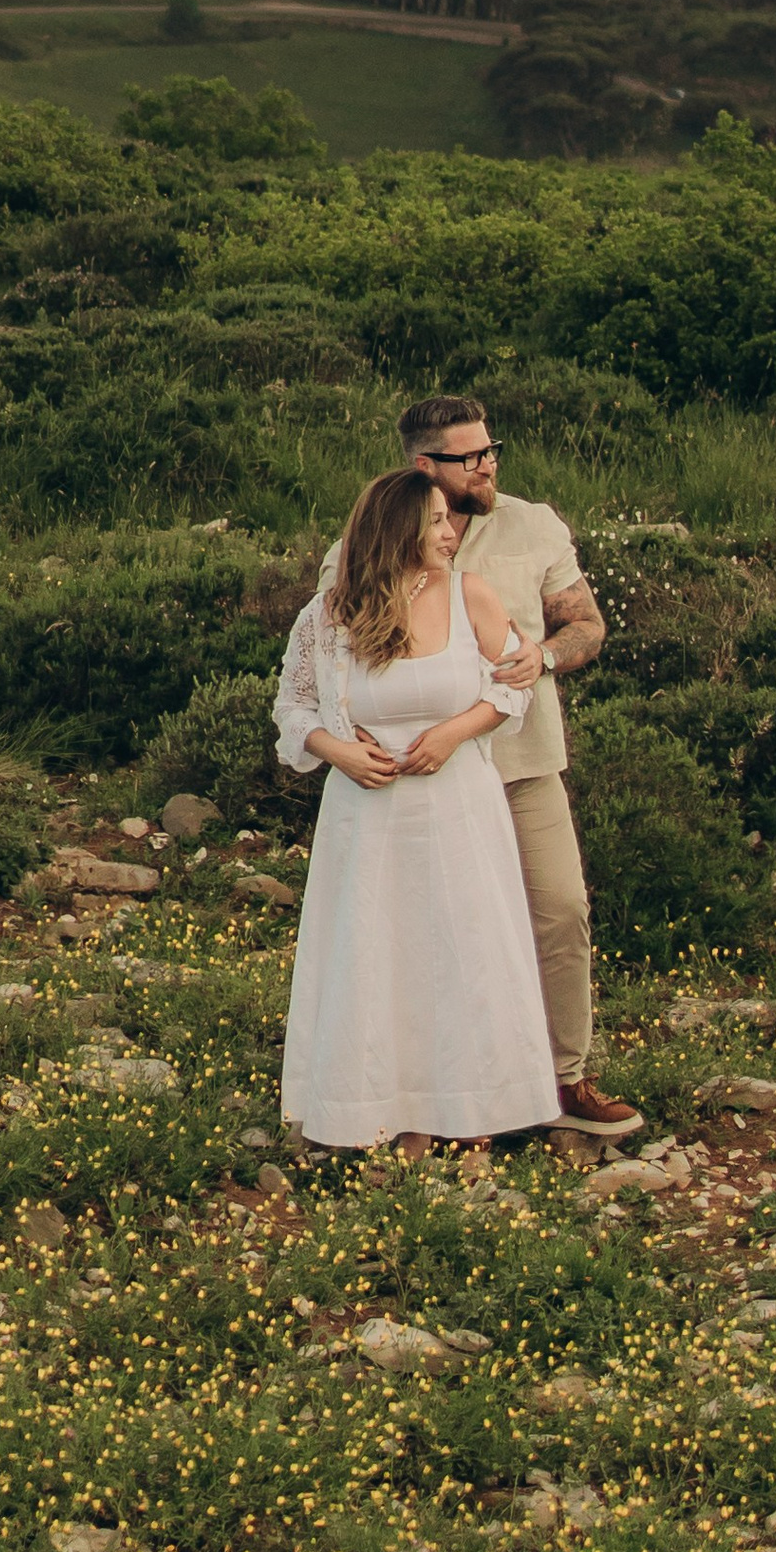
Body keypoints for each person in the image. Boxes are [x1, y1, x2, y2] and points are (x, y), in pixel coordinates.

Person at [279, 394, 644, 1143]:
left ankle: (565, 1078)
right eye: (470, 456)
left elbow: (587, 624)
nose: (488, 465)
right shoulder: (361, 549)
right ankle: (425, 1095)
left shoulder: (532, 524)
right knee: (430, 934)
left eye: (490, 450)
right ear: (426, 467)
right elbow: (323, 665)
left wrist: (536, 658)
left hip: (520, 760)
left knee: (557, 911)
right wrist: (344, 745)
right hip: (406, 783)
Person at [276, 465, 559, 1155]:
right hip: (366, 818)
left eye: (448, 519)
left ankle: (470, 1110)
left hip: (459, 808)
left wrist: (454, 733)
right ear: (395, 528)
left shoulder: (473, 597)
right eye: (434, 520)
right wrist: (336, 751)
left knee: (466, 954)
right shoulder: (329, 614)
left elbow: (515, 687)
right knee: (377, 958)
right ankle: (387, 1113)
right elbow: (293, 708)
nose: (449, 532)